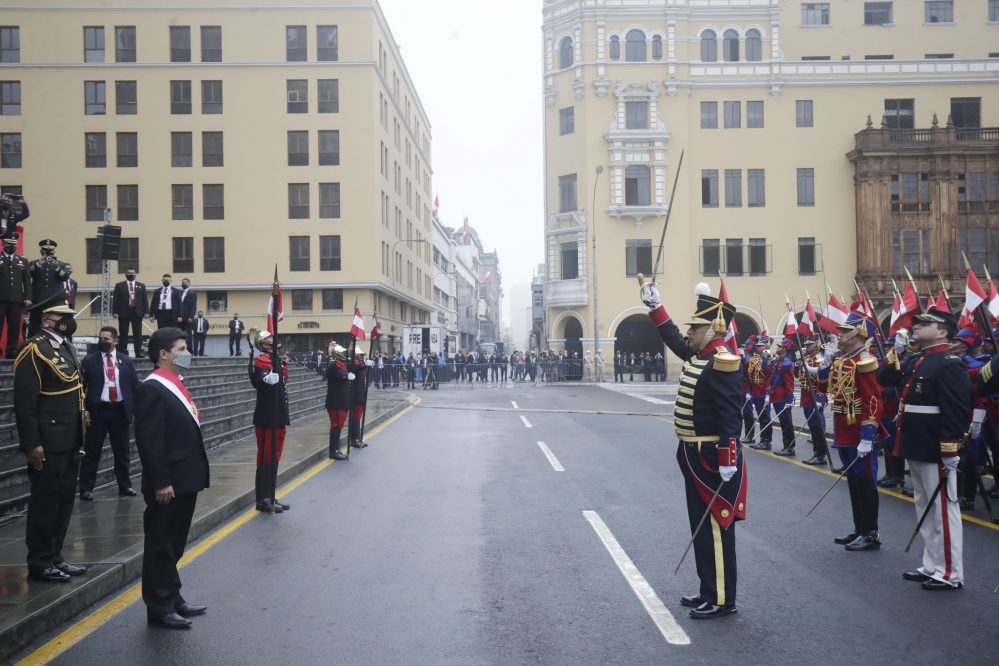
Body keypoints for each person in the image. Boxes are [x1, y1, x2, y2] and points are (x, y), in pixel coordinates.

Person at [642, 282, 745, 619]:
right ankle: (708, 590)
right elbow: (673, 337)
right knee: (700, 526)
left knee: (715, 526)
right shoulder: (700, 354)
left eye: (696, 327)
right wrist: (656, 307)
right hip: (692, 455)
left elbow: (731, 415)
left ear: (713, 328)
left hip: (713, 458)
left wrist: (729, 457)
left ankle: (721, 598)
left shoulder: (722, 361)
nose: (689, 331)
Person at [878, 310, 968, 590]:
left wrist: (950, 450)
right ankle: (932, 565)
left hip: (933, 446)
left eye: (925, 324)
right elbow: (885, 378)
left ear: (942, 332)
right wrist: (896, 350)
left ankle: (950, 572)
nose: (916, 327)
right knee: (924, 508)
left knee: (942, 510)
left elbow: (956, 410)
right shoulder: (917, 360)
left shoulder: (949, 364)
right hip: (914, 442)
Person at [134, 327, 209, 628]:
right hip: (168, 482)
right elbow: (150, 442)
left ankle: (173, 596)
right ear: (163, 354)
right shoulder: (153, 388)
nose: (186, 353)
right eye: (181, 349)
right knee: (161, 543)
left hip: (185, 477)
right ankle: (159, 606)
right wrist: (161, 482)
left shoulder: (175, 383)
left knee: (174, 543)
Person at [13, 293, 86, 583]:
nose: (69, 322)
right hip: (48, 440)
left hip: (70, 437)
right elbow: (25, 404)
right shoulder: (34, 349)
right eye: (63, 318)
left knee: (64, 500)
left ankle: (55, 555)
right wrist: (32, 444)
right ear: (46, 320)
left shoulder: (65, 346)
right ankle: (40, 562)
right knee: (45, 502)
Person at [812, 307, 883, 552]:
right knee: (853, 481)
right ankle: (859, 528)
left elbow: (873, 401)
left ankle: (871, 532)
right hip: (843, 429)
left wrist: (867, 437)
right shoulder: (842, 360)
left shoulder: (865, 362)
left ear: (859, 335)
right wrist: (826, 363)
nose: (839, 335)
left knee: (865, 481)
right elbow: (823, 387)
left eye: (844, 332)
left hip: (859, 431)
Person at [79, 326, 139, 500]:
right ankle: (86, 488)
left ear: (116, 341)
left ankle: (125, 486)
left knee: (122, 452)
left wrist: (134, 410)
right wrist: (84, 410)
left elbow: (134, 387)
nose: (102, 341)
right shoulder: (89, 361)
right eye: (100, 338)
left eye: (106, 339)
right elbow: (80, 388)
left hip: (120, 412)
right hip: (98, 412)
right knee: (92, 451)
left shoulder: (126, 361)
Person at [248, 329, 290, 514]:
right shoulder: (262, 361)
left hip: (278, 415)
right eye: (270, 340)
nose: (274, 342)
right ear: (264, 345)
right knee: (265, 459)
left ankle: (271, 495)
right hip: (267, 417)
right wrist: (265, 378)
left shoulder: (276, 361)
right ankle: (262, 499)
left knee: (274, 457)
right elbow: (259, 376)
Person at [798, 337, 830, 466]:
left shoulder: (820, 359)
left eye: (810, 344)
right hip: (806, 396)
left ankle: (820, 454)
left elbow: (822, 379)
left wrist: (819, 398)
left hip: (815, 396)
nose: (807, 346)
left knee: (817, 426)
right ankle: (817, 453)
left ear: (817, 345)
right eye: (806, 344)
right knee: (812, 426)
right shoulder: (807, 359)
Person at [28, 239, 69, 336]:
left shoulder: (61, 264)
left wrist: (57, 268)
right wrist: (38, 264)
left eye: (50, 251)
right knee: (35, 324)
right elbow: (27, 273)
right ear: (41, 251)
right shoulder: (34, 263)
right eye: (45, 251)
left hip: (53, 301)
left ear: (54, 251)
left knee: (52, 322)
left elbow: (65, 277)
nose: (48, 253)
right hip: (38, 300)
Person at [0, 232, 30, 358]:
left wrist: (27, 297)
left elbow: (27, 281)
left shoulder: (22, 261)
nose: (11, 246)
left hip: (17, 300)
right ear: (3, 244)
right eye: (8, 244)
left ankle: (12, 351)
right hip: (0, 299)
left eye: (13, 244)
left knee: (14, 326)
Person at [325, 342, 353, 460]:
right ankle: (333, 450)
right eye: (342, 352)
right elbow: (339, 375)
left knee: (339, 426)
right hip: (336, 401)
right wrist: (347, 376)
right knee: (336, 426)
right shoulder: (334, 365)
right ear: (337, 354)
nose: (344, 354)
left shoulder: (341, 364)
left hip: (341, 401)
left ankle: (336, 448)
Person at [112, 267, 148, 357]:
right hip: (123, 312)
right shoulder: (119, 285)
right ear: (125, 275)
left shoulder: (141, 285)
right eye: (129, 273)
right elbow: (115, 300)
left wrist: (146, 312)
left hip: (137, 312)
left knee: (138, 334)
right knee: (123, 333)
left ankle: (138, 352)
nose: (131, 274)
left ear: (135, 274)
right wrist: (115, 311)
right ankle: (123, 353)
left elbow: (145, 300)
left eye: (132, 273)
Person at [771, 341, 798, 457]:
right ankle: (786, 446)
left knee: (787, 423)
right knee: (783, 423)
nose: (778, 348)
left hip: (783, 397)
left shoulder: (786, 363)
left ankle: (790, 447)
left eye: (780, 347)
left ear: (785, 350)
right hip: (777, 396)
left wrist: (789, 399)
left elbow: (789, 383)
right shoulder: (779, 361)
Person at [348, 352, 375, 448]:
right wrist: (364, 365)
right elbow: (355, 369)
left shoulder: (358, 363)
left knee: (357, 417)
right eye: (361, 354)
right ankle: (355, 439)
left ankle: (357, 439)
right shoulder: (354, 363)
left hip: (360, 394)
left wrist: (367, 366)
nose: (363, 356)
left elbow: (365, 374)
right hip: (356, 395)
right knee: (356, 418)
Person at [178, 278, 197, 352]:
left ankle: (189, 351)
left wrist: (191, 317)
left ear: (189, 284)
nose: (184, 283)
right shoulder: (178, 292)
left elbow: (193, 306)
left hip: (187, 318)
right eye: (182, 282)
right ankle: (180, 350)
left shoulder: (192, 294)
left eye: (185, 282)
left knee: (187, 335)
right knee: (179, 335)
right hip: (179, 318)